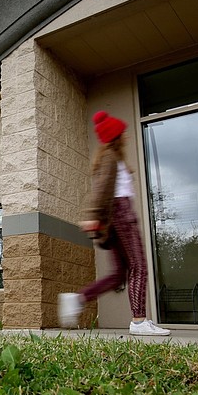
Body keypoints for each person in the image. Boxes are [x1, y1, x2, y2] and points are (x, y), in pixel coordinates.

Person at [58, 110, 170, 336]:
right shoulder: (111, 157)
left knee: (120, 274)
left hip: (116, 217)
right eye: (123, 133)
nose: (126, 137)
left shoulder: (112, 158)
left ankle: (78, 299)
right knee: (139, 266)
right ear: (115, 137)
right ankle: (139, 321)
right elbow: (101, 189)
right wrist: (93, 215)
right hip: (122, 215)